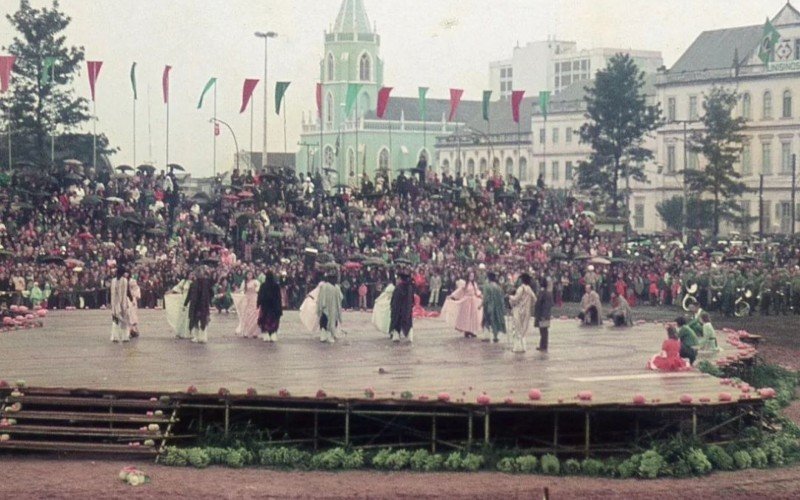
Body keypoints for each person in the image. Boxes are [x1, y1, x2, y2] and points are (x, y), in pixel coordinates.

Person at [441, 270, 483, 338]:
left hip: (473, 301)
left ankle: (471, 330)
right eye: (470, 276)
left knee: (472, 316)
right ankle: (466, 331)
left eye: (472, 276)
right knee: (466, 316)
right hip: (466, 301)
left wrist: (482, 296)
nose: (471, 277)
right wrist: (451, 296)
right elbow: (459, 291)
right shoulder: (464, 284)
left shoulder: (474, 284)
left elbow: (477, 291)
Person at [509, 273, 536, 353]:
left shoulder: (521, 289)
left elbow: (515, 299)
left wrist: (510, 297)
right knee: (524, 330)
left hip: (519, 310)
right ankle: (523, 346)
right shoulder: (529, 289)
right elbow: (534, 298)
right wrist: (530, 304)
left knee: (517, 329)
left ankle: (517, 347)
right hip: (527, 312)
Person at [184, 270, 213, 344]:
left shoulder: (193, 284)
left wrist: (185, 304)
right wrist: (210, 302)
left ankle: (198, 337)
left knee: (196, 321)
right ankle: (202, 337)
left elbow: (189, 296)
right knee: (202, 321)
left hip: (196, 305)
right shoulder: (206, 284)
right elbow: (211, 293)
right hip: (202, 305)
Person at [480, 271, 506, 343]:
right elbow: (501, 298)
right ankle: (495, 336)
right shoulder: (498, 287)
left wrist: (480, 305)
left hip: (489, 306)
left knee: (486, 321)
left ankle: (486, 336)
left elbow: (485, 298)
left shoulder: (487, 286)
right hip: (497, 307)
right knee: (495, 321)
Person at [257, 270, 283, 342]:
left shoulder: (263, 286)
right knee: (273, 321)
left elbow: (260, 296)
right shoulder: (276, 286)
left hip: (265, 307)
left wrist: (258, 303)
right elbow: (279, 297)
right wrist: (279, 307)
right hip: (274, 308)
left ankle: (266, 334)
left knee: (265, 321)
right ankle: (273, 334)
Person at [316, 275, 343, 343]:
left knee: (334, 321)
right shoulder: (325, 286)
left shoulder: (337, 287)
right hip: (326, 307)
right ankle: (324, 335)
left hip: (334, 307)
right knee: (324, 321)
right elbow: (322, 297)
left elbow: (341, 296)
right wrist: (322, 305)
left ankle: (332, 334)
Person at [389, 270, 415, 342]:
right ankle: (409, 336)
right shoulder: (410, 287)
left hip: (399, 310)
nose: (397, 280)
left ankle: (396, 336)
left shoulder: (398, 288)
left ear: (400, 279)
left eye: (398, 278)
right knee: (408, 323)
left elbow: (395, 300)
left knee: (397, 323)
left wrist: (392, 307)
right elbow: (412, 299)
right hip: (407, 309)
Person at [233, 271, 260, 338]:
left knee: (255, 315)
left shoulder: (255, 281)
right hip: (247, 299)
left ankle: (255, 332)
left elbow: (258, 289)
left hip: (254, 298)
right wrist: (236, 291)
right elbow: (241, 289)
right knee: (246, 314)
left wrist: (256, 288)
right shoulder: (244, 282)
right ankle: (246, 332)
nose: (249, 276)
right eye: (248, 274)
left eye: (251, 274)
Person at [166, 275, 192, 339]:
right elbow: (177, 288)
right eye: (190, 274)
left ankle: (189, 333)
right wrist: (170, 292)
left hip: (191, 300)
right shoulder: (183, 281)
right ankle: (180, 332)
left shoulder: (194, 282)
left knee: (189, 316)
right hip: (183, 299)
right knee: (182, 316)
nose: (191, 276)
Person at [110, 266, 131, 343]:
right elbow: (126, 292)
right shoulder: (125, 281)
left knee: (115, 320)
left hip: (114, 303)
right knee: (124, 320)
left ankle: (114, 336)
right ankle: (125, 336)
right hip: (123, 302)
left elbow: (112, 293)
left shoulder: (113, 281)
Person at [533, 276, 553, 352]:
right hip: (543, 314)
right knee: (543, 331)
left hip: (543, 315)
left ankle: (544, 346)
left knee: (544, 331)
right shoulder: (545, 292)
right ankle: (542, 345)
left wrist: (544, 315)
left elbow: (546, 305)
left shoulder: (545, 293)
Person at [128, 272, 141, 338]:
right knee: (129, 315)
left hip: (132, 299)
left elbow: (136, 289)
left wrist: (136, 296)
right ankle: (131, 330)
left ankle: (134, 330)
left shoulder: (132, 281)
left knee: (133, 314)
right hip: (127, 299)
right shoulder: (123, 281)